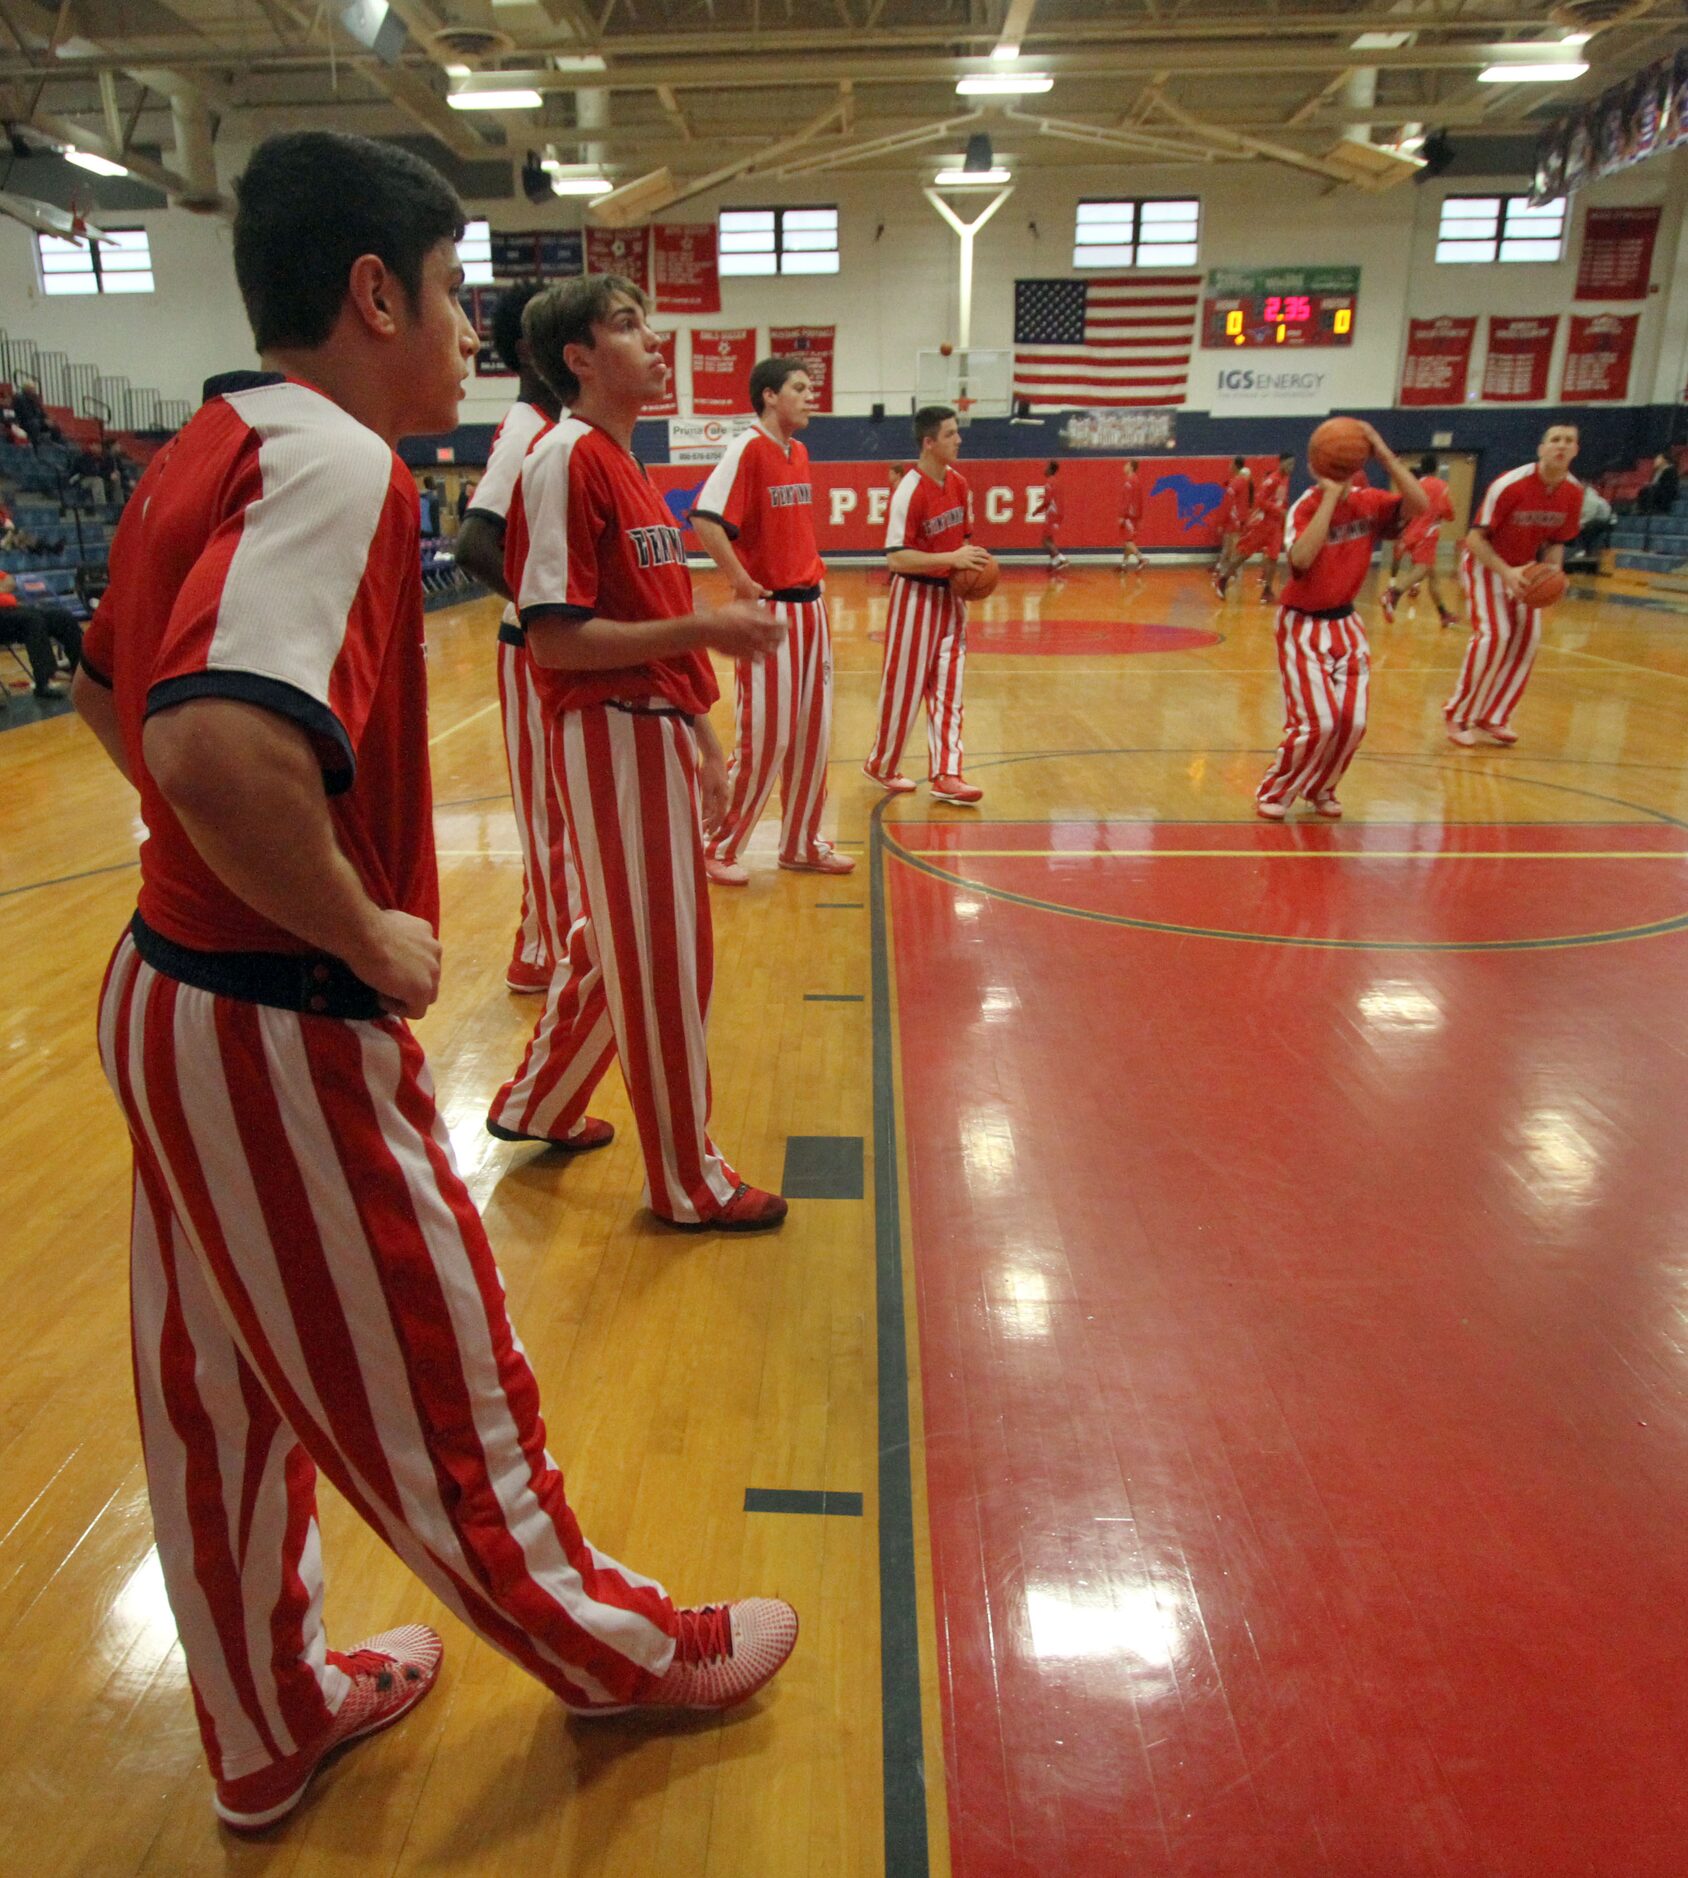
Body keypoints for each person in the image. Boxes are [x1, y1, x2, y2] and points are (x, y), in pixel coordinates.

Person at [68, 132, 798, 1836]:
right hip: (269, 1010)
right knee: (442, 1370)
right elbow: (211, 735)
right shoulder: (338, 460)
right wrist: (352, 924)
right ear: (372, 290)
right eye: (458, 291)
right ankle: (626, 1650)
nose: (477, 330)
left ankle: (267, 1715)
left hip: (165, 990)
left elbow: (113, 693)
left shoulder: (207, 441)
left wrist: (204, 851)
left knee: (218, 1387)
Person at [486, 274, 790, 1231]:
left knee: (613, 943)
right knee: (663, 957)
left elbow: (648, 619)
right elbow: (557, 639)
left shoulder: (625, 465)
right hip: (607, 726)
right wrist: (708, 630)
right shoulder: (562, 460)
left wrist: (701, 733)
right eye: (628, 327)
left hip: (648, 726)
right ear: (577, 358)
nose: (656, 341)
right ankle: (686, 1181)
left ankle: (537, 1103)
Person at [452, 278, 577, 992]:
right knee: (549, 811)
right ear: (536, 349)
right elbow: (474, 543)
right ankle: (560, 965)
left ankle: (536, 950)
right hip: (528, 646)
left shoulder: (553, 426)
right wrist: (546, 612)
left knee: (554, 806)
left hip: (537, 643)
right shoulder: (529, 427)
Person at [690, 354, 852, 885]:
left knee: (813, 735)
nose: (810, 396)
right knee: (767, 738)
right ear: (768, 396)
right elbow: (705, 518)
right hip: (773, 609)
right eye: (799, 388)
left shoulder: (798, 452)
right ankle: (719, 843)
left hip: (813, 607)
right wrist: (740, 578)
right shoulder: (748, 448)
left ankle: (802, 842)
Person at [1255, 424, 1425, 822]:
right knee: (1320, 722)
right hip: (1302, 624)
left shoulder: (1371, 501)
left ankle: (1321, 787)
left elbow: (1419, 505)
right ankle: (1275, 789)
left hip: (1346, 622)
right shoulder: (1306, 506)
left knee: (1353, 721)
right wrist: (1330, 497)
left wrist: (1383, 453)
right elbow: (1299, 559)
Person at [863, 405, 990, 804]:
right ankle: (881, 764)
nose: (959, 440)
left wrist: (972, 567)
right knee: (904, 691)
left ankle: (947, 774)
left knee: (950, 690)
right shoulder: (908, 491)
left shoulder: (960, 484)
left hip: (950, 598)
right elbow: (896, 558)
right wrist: (948, 560)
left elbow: (963, 542)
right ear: (929, 442)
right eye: (951, 434)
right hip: (914, 596)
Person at [1445, 423, 1581, 750]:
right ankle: (1458, 714)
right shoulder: (1509, 485)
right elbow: (1475, 539)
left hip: (1527, 569)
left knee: (1528, 639)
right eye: (1555, 440)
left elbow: (1556, 542)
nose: (1561, 446)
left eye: (1569, 441)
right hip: (1485, 563)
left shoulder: (1574, 492)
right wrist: (1506, 573)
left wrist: (1553, 576)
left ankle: (1494, 715)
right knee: (1495, 635)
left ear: (1575, 450)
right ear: (1541, 448)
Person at [1379, 453, 1457, 628]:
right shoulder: (1441, 486)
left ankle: (1443, 614)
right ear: (1436, 469)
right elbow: (1449, 513)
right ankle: (1393, 594)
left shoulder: (1415, 485)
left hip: (1409, 534)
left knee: (1433, 575)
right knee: (1421, 569)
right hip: (1427, 535)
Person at [1216, 450, 1292, 602]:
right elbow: (1260, 501)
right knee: (1244, 553)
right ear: (1281, 462)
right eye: (1288, 463)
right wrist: (1279, 511)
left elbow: (1280, 501)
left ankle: (1267, 590)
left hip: (1275, 526)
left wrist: (1282, 518)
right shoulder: (1272, 480)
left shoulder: (1285, 479)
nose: (1291, 467)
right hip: (1263, 524)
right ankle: (1223, 580)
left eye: (1293, 464)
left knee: (1273, 557)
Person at [0, 570, 76, 698]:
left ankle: (81, 671)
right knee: (32, 620)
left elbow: (10, 581)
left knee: (62, 617)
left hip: (13, 611)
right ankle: (44, 680)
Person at [1210, 454, 1252, 600]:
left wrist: (1222, 521)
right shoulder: (1240, 482)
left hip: (1234, 521)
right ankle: (1226, 575)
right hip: (1236, 521)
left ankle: (1226, 576)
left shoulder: (1238, 482)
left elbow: (1228, 504)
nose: (1229, 466)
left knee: (1233, 548)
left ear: (1235, 465)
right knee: (1231, 548)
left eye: (1231, 464)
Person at [1039, 459, 1068, 573]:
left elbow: (1047, 501)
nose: (1044, 469)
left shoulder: (1049, 483)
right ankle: (1054, 563)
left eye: (1046, 467)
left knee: (1045, 540)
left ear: (1050, 469)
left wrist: (1037, 510)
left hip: (1052, 514)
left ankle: (1060, 558)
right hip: (1058, 514)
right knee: (1050, 538)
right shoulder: (1058, 482)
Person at [1119, 457, 1145, 573]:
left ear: (1131, 467)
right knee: (1128, 540)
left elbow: (1126, 500)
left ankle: (1141, 558)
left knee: (1127, 541)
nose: (1124, 466)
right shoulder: (1137, 480)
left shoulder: (1130, 481)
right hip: (1134, 514)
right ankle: (1124, 565)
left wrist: (1122, 516)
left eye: (1126, 464)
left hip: (1129, 515)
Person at [1637, 450, 1679, 517]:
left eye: (1658, 459)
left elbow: (1669, 484)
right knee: (1643, 490)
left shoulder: (1671, 470)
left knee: (1651, 490)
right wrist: (1651, 484)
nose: (1655, 460)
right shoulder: (1657, 471)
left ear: (1664, 460)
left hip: (1667, 491)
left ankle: (1654, 509)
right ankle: (1643, 510)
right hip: (1657, 489)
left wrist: (1655, 485)